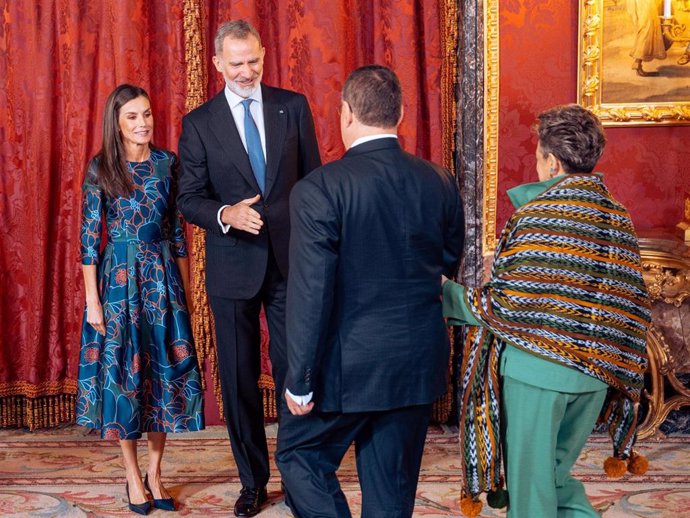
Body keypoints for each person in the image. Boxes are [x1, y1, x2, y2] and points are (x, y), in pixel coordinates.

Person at [275, 65, 465, 518]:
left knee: (299, 457)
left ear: (345, 114)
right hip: (415, 361)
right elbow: (446, 261)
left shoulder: (319, 188)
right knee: (390, 492)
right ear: (400, 112)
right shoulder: (439, 181)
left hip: (347, 367)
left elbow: (310, 292)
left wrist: (299, 379)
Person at [443, 104, 651, 518]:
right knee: (557, 478)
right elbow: (631, 301)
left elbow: (505, 306)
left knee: (531, 494)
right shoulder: (618, 215)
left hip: (538, 376)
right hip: (597, 376)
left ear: (552, 161)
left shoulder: (536, 215)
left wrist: (447, 293)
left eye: (539, 156)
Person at [177, 19, 321, 517]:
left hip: (290, 265)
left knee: (296, 374)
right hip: (232, 268)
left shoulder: (293, 105)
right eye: (235, 63)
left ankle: (301, 478)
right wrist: (225, 214)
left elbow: (315, 184)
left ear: (264, 55)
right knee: (238, 381)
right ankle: (252, 482)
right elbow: (188, 199)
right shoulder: (198, 122)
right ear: (217, 64)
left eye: (253, 61)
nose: (246, 71)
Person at [76, 84, 204, 515]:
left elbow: (177, 235)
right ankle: (131, 476)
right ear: (117, 121)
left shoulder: (168, 164)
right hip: (117, 285)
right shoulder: (101, 169)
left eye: (147, 114)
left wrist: (185, 295)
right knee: (126, 380)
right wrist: (93, 301)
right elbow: (90, 241)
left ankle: (155, 471)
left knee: (161, 376)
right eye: (132, 116)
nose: (143, 123)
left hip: (162, 280)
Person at [627, 0, 667, 76]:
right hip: (643, 6)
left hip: (647, 5)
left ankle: (637, 63)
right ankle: (637, 62)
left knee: (647, 31)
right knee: (645, 31)